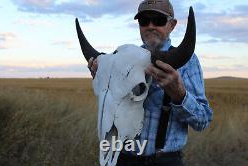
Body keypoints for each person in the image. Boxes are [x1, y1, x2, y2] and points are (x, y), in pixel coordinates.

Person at [88, 0, 213, 165]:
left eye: (159, 20)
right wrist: (104, 78)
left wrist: (179, 95)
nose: (150, 26)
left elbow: (202, 121)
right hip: (122, 158)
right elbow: (111, 109)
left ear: (172, 25)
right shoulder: (121, 59)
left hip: (165, 160)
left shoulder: (188, 62)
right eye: (144, 21)